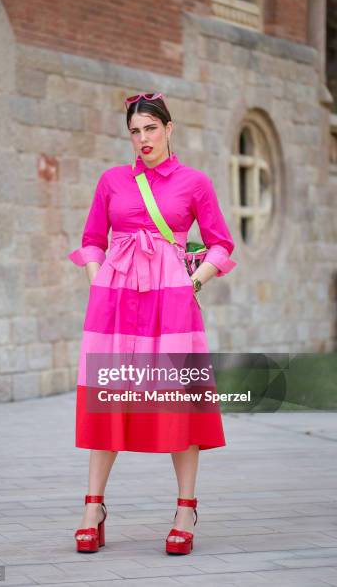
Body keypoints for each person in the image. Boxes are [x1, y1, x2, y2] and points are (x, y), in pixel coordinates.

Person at [67, 92, 236, 555]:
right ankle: (93, 507)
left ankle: (185, 509)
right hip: (115, 306)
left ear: (169, 128)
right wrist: (98, 283)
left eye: (151, 129)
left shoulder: (195, 182)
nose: (143, 139)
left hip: (172, 307)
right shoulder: (112, 181)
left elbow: (221, 245)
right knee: (109, 399)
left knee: (177, 401)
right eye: (135, 131)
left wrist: (192, 284)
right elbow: (90, 239)